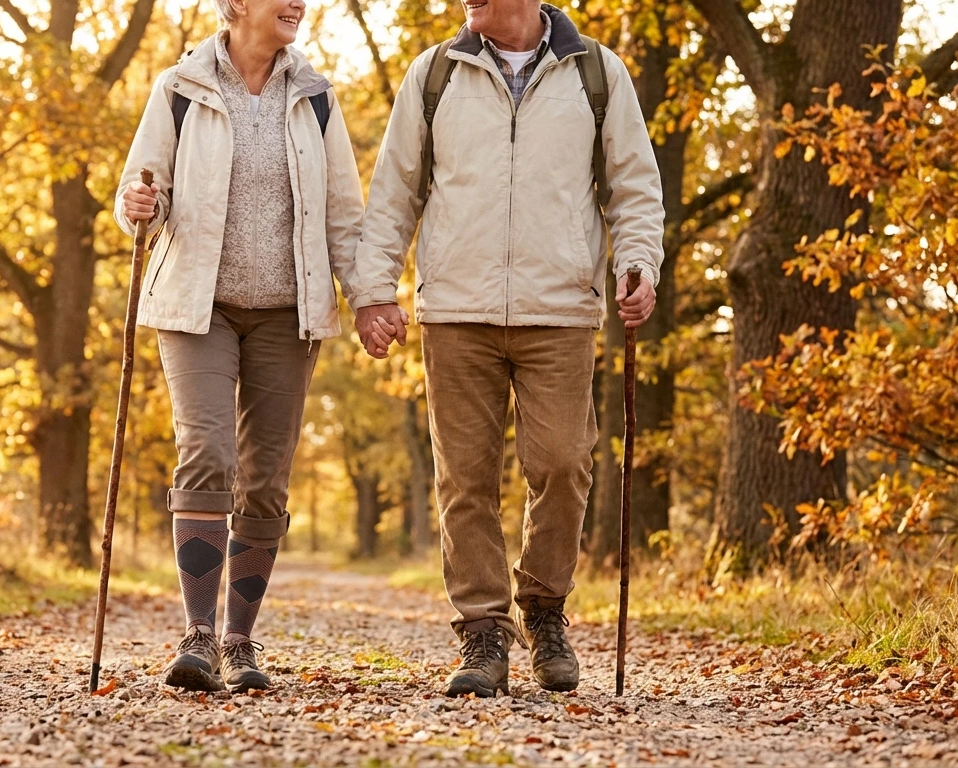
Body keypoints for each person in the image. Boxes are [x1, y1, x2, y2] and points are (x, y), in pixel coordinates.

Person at [353, 0, 665, 697]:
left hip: (560, 310)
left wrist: (637, 262)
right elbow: (394, 192)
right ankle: (483, 630)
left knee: (562, 461)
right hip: (456, 310)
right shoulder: (435, 74)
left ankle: (545, 607)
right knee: (464, 477)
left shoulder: (597, 73)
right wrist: (375, 290)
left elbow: (634, 187)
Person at [113, 0, 367, 693]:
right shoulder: (181, 87)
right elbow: (141, 189)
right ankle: (197, 635)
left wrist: (369, 296)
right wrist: (139, 206)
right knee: (207, 450)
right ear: (235, 5)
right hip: (198, 307)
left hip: (289, 312)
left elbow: (345, 212)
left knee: (266, 476)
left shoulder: (314, 99)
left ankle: (239, 641)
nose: (296, 5)